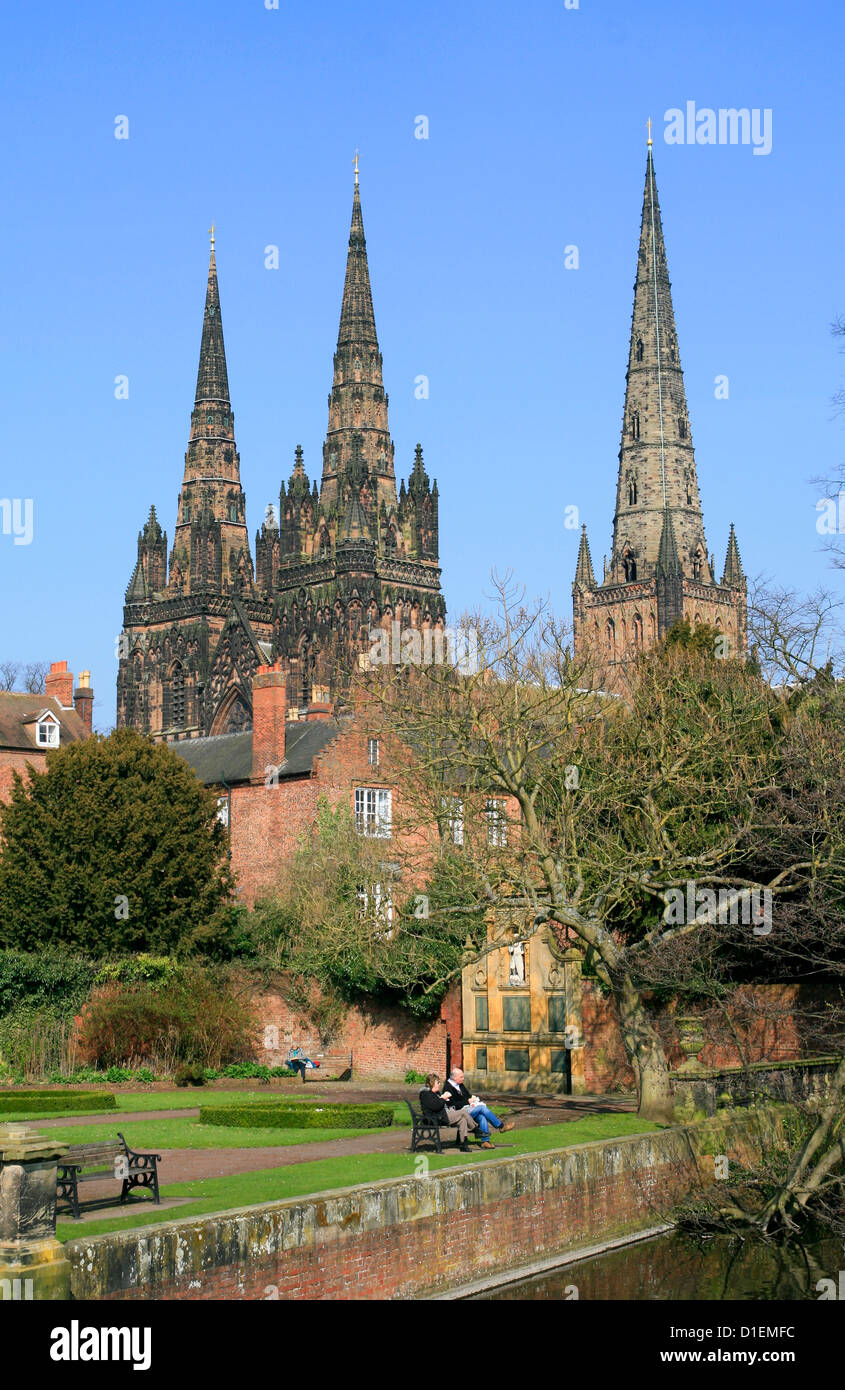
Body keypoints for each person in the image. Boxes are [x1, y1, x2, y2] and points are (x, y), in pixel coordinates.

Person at [441, 1068, 514, 1149]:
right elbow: (452, 1105)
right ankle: (501, 1126)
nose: (463, 1079)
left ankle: (485, 1142)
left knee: (481, 1117)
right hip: (459, 1114)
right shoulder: (447, 1088)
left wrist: (473, 1101)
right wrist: (468, 1102)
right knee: (482, 1108)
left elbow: (468, 1096)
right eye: (461, 1077)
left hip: (468, 1109)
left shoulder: (460, 1085)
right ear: (454, 1078)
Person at [418, 1073, 478, 1152]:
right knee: (463, 1112)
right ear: (432, 1083)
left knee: (462, 1120)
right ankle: (475, 1129)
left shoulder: (435, 1093)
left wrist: (444, 1099)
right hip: (435, 1118)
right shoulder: (426, 1094)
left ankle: (463, 1144)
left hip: (442, 1115)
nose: (439, 1084)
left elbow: (440, 1105)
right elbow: (435, 1106)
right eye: (438, 1083)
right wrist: (443, 1098)